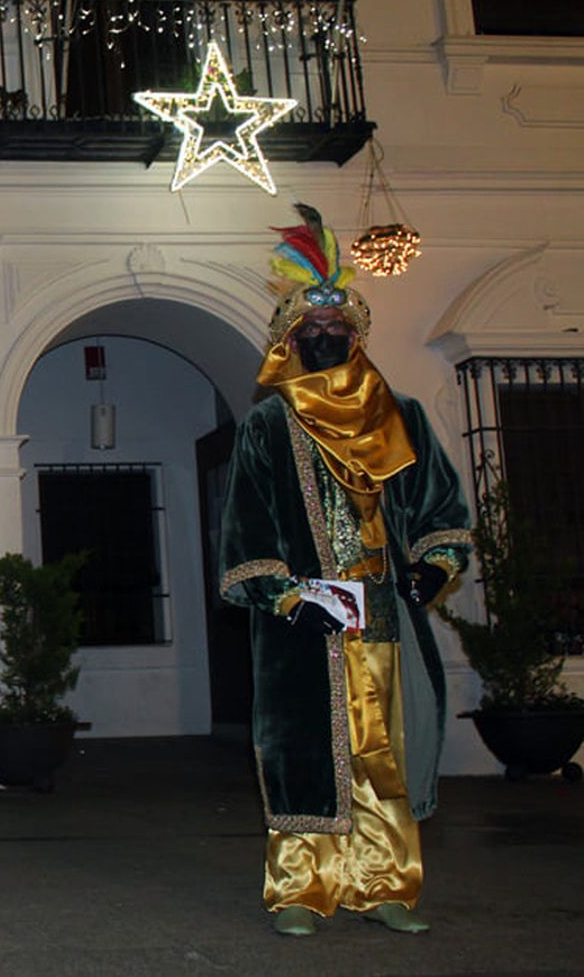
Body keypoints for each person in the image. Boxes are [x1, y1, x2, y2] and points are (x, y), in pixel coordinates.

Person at [219, 205, 473, 937]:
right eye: (312, 330)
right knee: (305, 752)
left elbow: (440, 507)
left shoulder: (406, 415)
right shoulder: (268, 426)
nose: (327, 337)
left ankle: (385, 882)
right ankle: (301, 887)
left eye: (339, 329)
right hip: (304, 615)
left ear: (358, 336)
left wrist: (433, 565)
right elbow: (247, 525)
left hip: (385, 609)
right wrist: (284, 594)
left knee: (381, 751)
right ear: (290, 341)